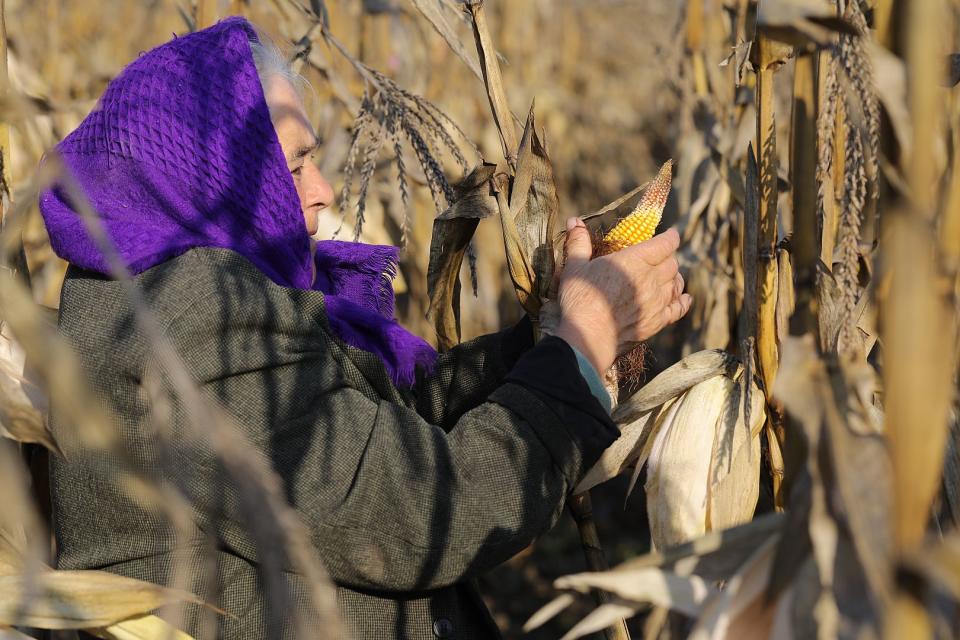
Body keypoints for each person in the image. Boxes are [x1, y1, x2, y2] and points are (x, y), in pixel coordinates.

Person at [40, 17, 691, 640]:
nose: (322, 190)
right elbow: (420, 514)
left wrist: (546, 338)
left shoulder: (179, 298)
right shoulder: (185, 327)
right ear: (204, 175)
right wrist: (580, 348)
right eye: (293, 167)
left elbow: (375, 431)